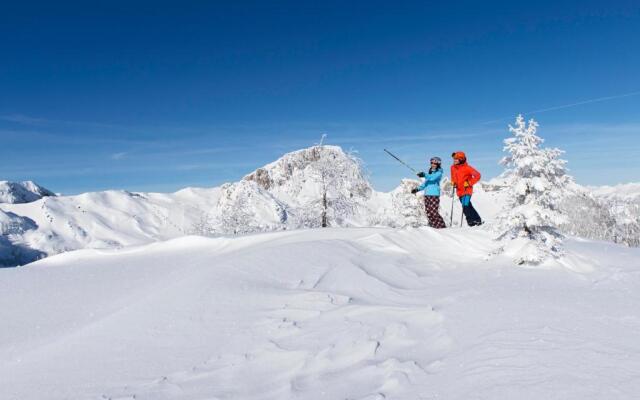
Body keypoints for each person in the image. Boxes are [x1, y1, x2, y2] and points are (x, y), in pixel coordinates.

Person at [411, 156, 447, 229]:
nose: (433, 164)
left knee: (434, 212)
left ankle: (442, 227)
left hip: (434, 195)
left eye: (435, 163)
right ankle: (434, 226)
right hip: (427, 195)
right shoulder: (430, 173)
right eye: (432, 163)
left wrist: (424, 175)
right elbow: (425, 184)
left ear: (438, 164)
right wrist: (417, 189)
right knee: (428, 212)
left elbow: (432, 178)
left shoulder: (439, 173)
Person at [450, 151, 483, 226]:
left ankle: (471, 222)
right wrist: (453, 182)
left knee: (465, 205)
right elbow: (453, 177)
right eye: (454, 159)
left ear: (461, 159)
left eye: (456, 159)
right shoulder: (452, 168)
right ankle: (478, 220)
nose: (454, 160)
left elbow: (478, 175)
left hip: (467, 190)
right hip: (459, 191)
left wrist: (469, 183)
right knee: (468, 205)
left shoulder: (468, 168)